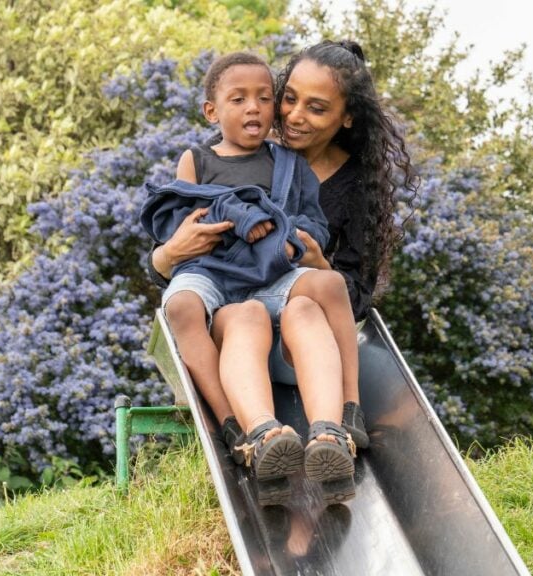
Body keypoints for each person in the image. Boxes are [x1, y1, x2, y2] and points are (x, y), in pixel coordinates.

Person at [147, 41, 415, 505]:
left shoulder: (333, 182)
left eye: (315, 107)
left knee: (310, 303)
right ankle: (245, 432)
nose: (289, 115)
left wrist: (312, 259)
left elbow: (352, 292)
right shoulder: (242, 150)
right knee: (238, 315)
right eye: (288, 98)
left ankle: (338, 422)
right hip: (234, 326)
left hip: (297, 333)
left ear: (347, 117)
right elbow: (177, 245)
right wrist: (168, 254)